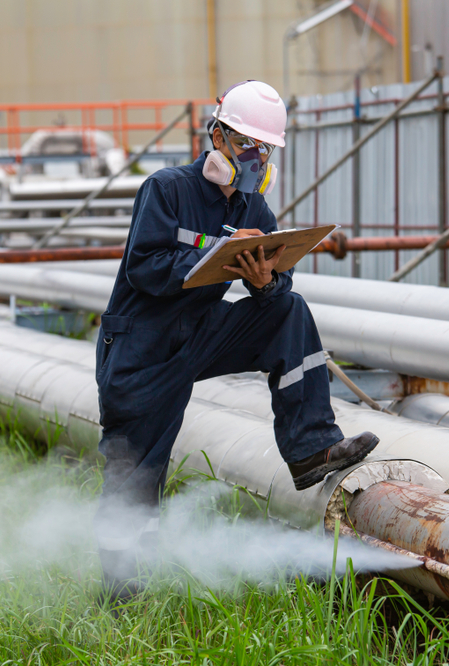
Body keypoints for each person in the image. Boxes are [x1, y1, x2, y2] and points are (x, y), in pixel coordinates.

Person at [94, 80, 379, 600]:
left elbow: (277, 292)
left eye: (264, 147)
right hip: (142, 347)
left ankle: (311, 447)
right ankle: (120, 596)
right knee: (135, 472)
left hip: (200, 334)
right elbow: (144, 269)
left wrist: (266, 281)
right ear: (217, 136)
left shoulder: (254, 211)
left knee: (287, 310)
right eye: (246, 143)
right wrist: (221, 249)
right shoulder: (166, 189)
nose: (255, 155)